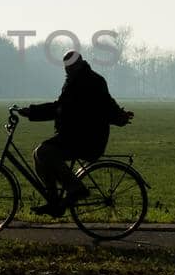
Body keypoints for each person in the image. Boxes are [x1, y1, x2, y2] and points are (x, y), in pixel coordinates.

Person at [19, 50, 133, 216]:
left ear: (79, 64)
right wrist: (32, 111)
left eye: (70, 66)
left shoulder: (91, 82)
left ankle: (75, 188)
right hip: (75, 136)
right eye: (66, 67)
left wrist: (120, 117)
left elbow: (106, 106)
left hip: (86, 139)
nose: (67, 69)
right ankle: (54, 201)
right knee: (39, 154)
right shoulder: (75, 81)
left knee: (44, 152)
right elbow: (60, 107)